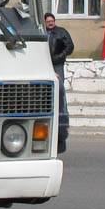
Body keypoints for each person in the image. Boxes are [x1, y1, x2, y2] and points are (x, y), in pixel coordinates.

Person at [45, 12, 74, 153]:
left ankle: (62, 116)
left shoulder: (61, 32)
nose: (50, 23)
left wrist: (60, 56)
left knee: (59, 90)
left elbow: (70, 47)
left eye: (52, 21)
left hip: (57, 64)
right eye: (48, 21)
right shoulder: (42, 32)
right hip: (45, 64)